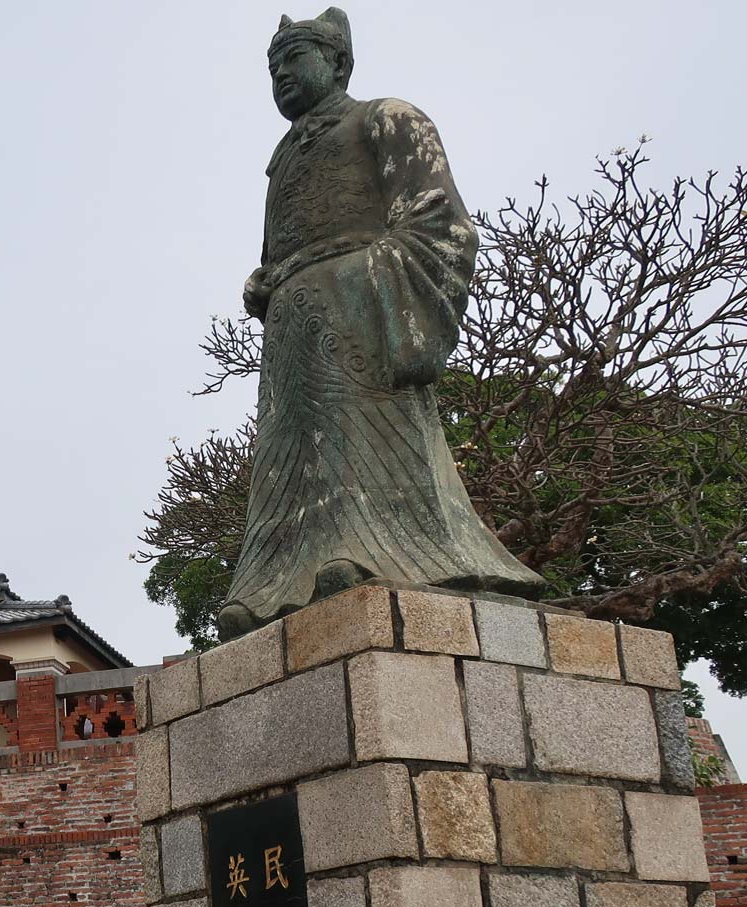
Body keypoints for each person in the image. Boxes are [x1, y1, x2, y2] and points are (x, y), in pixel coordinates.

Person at [216, 7, 541, 640]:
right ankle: (271, 586)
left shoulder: (385, 118)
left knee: (362, 430)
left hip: (364, 302)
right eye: (272, 66)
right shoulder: (281, 162)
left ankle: (376, 557)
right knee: (287, 453)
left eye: (294, 57)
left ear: (337, 61)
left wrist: (369, 277)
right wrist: (266, 281)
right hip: (292, 327)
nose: (281, 74)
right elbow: (280, 247)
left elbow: (438, 217)